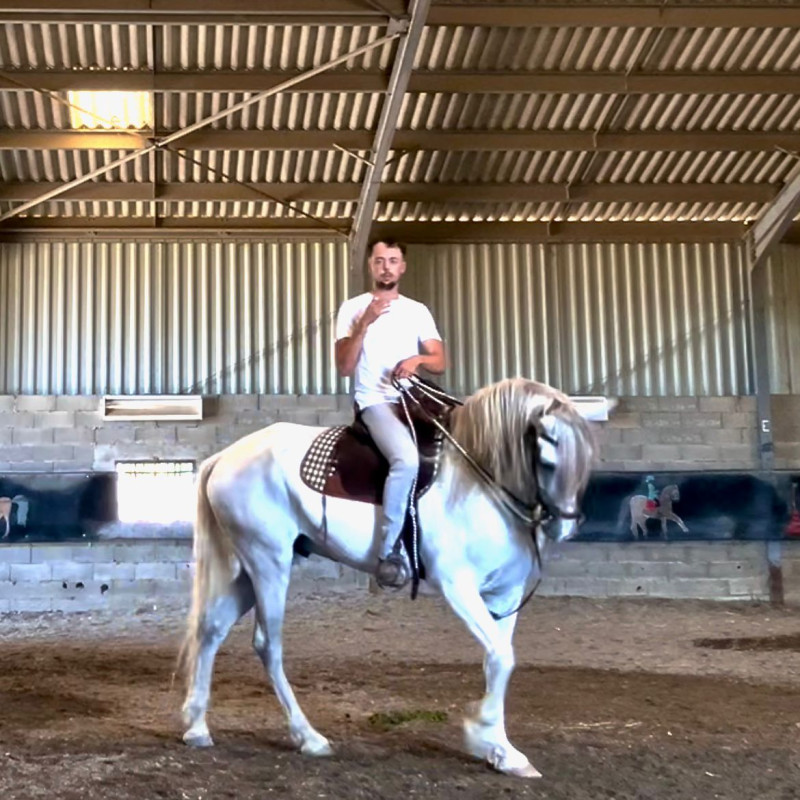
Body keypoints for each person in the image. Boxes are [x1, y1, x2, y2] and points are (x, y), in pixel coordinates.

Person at [335, 239, 446, 589]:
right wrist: (364, 324)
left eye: (393, 261)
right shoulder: (352, 308)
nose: (386, 267)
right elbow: (344, 367)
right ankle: (389, 552)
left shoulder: (417, 311)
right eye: (380, 260)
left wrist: (417, 360)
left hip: (413, 399)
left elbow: (439, 361)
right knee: (407, 461)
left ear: (402, 267)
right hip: (375, 402)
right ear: (371, 265)